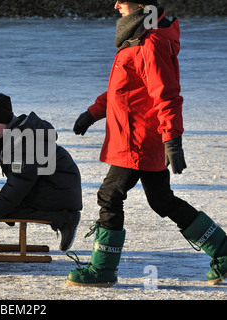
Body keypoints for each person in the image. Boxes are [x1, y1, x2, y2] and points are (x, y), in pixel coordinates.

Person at [67, 1, 227, 287]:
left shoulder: (151, 42)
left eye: (123, 1)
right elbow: (125, 87)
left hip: (138, 139)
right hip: (138, 136)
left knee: (110, 195)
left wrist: (173, 140)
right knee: (161, 199)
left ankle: (102, 269)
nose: (116, 5)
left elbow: (166, 95)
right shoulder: (138, 35)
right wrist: (94, 111)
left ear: (143, 5)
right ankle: (224, 251)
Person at [0, 92, 82, 252]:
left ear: (4, 119)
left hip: (59, 190)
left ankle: (64, 218)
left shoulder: (24, 141)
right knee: (6, 208)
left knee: (5, 208)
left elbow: (19, 185)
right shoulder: (10, 136)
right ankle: (57, 215)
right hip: (51, 186)